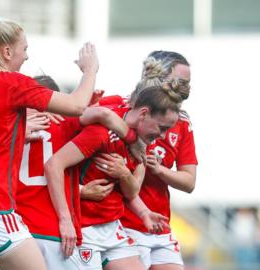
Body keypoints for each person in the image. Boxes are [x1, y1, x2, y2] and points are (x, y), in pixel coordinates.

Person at [0, 14, 100, 270]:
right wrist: (90, 71)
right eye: (24, 49)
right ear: (6, 51)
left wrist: (10, 137)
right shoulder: (11, 83)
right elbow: (77, 105)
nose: (26, 56)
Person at [45, 85, 182, 270]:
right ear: (143, 113)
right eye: (162, 127)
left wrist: (143, 212)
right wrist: (66, 217)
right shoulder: (102, 132)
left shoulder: (144, 141)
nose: (163, 135)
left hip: (112, 226)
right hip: (84, 227)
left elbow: (132, 191)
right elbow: (54, 165)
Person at [17, 75, 138, 269]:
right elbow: (101, 114)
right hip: (53, 227)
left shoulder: (6, 128)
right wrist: (134, 139)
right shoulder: (65, 122)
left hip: (17, 230)